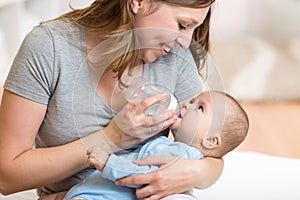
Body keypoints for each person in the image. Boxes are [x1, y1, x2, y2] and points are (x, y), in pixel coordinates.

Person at [0, 1, 224, 200]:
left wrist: (196, 172)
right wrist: (111, 137)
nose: (186, 42)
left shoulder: (176, 59)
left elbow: (211, 153)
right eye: (182, 25)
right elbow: (6, 177)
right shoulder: (49, 47)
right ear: (138, 2)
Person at [63, 90, 249, 200]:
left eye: (200, 108)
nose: (186, 105)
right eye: (192, 101)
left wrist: (107, 162)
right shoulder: (170, 148)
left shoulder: (182, 156)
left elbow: (146, 175)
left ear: (210, 140)